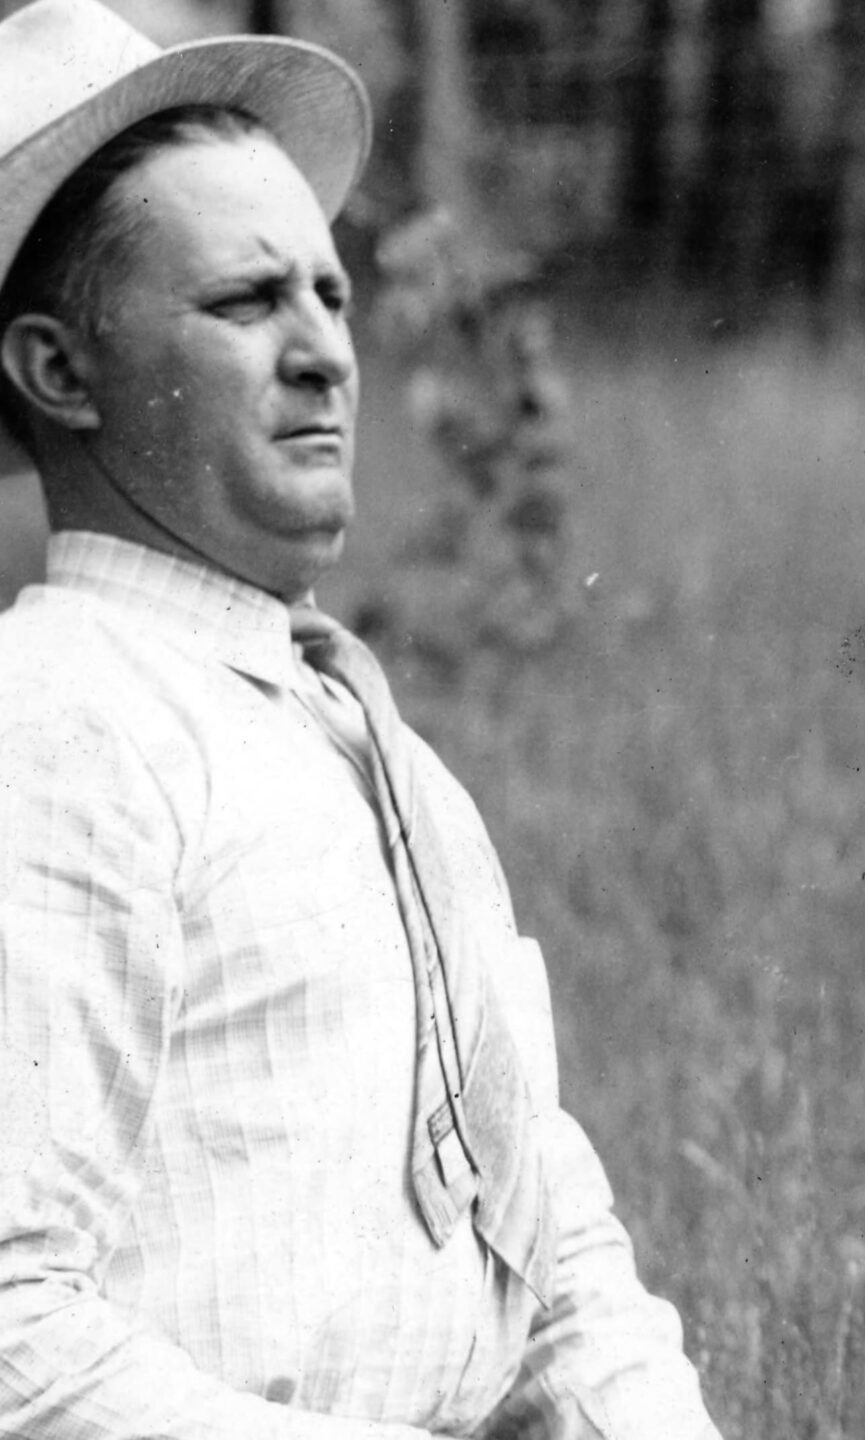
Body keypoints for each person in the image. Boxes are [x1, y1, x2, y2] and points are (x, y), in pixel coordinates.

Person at [0, 3, 722, 1435]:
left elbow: (551, 1240)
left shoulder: (362, 738)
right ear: (60, 372)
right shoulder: (62, 725)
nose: (330, 351)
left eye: (329, 294)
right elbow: (12, 1337)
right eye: (245, 303)